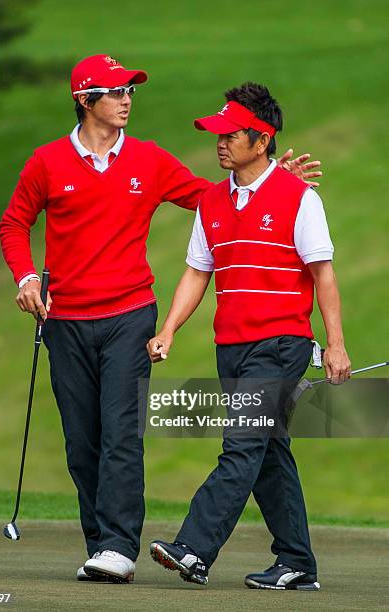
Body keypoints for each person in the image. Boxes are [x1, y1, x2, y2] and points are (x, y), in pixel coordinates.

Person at [0, 55, 321, 583]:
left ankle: (120, 548)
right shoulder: (47, 162)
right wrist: (26, 278)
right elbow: (14, 223)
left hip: (130, 315)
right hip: (66, 320)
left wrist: (272, 183)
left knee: (121, 434)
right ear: (85, 100)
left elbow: (211, 199)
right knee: (82, 443)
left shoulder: (148, 160)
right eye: (115, 91)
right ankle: (102, 544)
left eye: (130, 89)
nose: (127, 98)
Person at [147, 82, 351, 590]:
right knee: (267, 455)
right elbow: (198, 273)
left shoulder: (299, 199)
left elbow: (323, 273)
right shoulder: (211, 202)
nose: (218, 142)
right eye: (216, 133)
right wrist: (168, 329)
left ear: (261, 141)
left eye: (229, 134)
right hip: (230, 346)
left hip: (280, 344)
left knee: (240, 448)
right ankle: (297, 562)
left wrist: (336, 344)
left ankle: (193, 549)